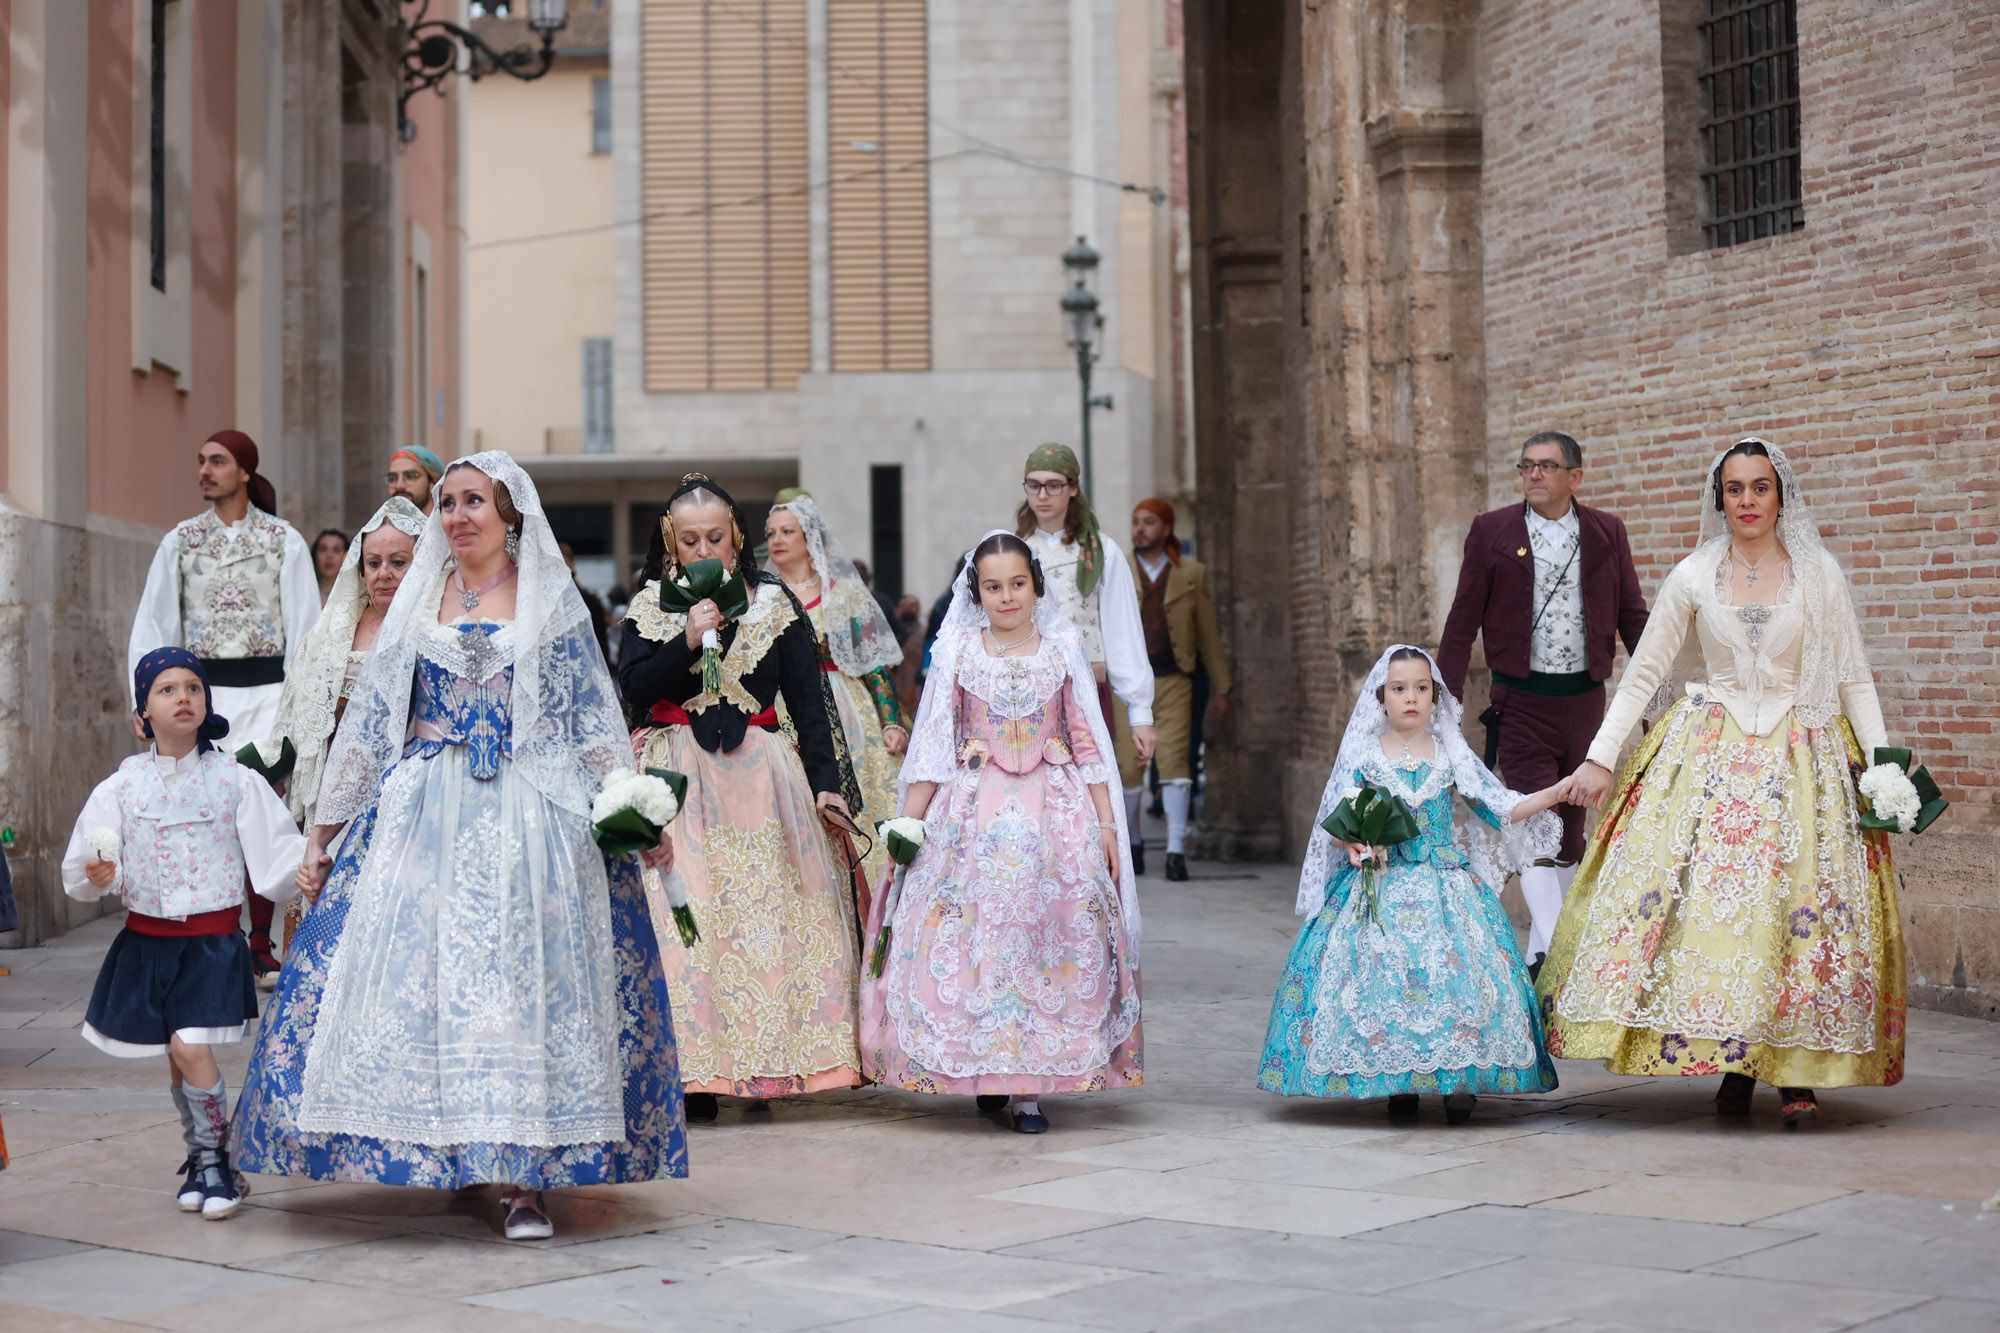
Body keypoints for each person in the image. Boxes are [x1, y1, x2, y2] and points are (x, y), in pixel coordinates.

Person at [239, 453, 687, 1241]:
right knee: (428, 983)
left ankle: (523, 1178)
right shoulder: (418, 600)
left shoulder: (551, 600)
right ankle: (449, 1149)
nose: (459, 515)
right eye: (447, 502)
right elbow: (371, 725)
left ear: (511, 513)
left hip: (532, 812)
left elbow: (588, 718)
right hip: (425, 814)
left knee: (518, 988)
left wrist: (634, 807)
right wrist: (323, 834)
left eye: (474, 501)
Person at [1542, 438, 1906, 1128]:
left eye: (1759, 487)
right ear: (1720, 499)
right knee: (1715, 918)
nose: (1747, 501)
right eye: (1734, 489)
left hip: (1805, 755)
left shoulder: (1819, 574)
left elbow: (1854, 676)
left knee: (1800, 912)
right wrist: (1599, 755)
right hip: (1708, 757)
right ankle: (1735, 1062)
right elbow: (1645, 673)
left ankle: (1796, 1068)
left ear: (1780, 495)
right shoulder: (1693, 574)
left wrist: (1885, 766)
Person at [861, 531, 1142, 1134]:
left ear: (1036, 587)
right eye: (993, 587)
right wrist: (908, 822)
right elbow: (935, 743)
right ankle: (987, 1067)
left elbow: (1087, 740)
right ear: (977, 592)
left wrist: (1106, 824)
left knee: (1049, 935)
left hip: (1055, 811)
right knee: (973, 937)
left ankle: (1029, 1089)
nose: (1007, 596)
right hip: (972, 810)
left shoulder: (1061, 650)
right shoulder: (960, 653)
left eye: (1017, 584)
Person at [618, 474, 865, 1126]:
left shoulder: (775, 605)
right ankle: (697, 1074)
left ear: (736, 540)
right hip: (679, 780)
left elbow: (809, 706)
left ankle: (766, 1065)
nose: (705, 548)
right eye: (690, 538)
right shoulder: (650, 606)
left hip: (760, 780)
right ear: (672, 543)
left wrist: (827, 785)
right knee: (688, 922)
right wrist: (687, 636)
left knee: (761, 923)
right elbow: (637, 689)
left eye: (715, 537)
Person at [1258, 646, 1565, 1121]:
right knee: (1381, 972)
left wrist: (1554, 791)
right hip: (1382, 882)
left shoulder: (1451, 754)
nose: (1411, 698)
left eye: (1422, 688)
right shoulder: (1364, 754)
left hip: (1447, 883)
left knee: (1460, 975)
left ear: (1434, 695)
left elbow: (1497, 805)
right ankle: (1399, 1081)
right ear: (1382, 696)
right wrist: (1357, 846)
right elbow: (1337, 821)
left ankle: (1460, 1080)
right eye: (1400, 689)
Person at [63, 649, 306, 1219]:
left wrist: (312, 866)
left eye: (193, 687)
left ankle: (218, 1162)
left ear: (207, 703)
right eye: (167, 689)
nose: (183, 697)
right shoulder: (121, 787)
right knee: (176, 1056)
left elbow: (276, 854)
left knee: (188, 1046)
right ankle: (199, 1159)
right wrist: (102, 873)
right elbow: (90, 859)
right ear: (140, 713)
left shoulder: (235, 780)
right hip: (147, 943)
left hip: (211, 943)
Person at [1437, 430, 1649, 977]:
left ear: (1574, 477)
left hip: (1585, 702)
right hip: (1521, 701)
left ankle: (1538, 950)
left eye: (1547, 466)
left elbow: (1634, 620)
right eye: (1527, 466)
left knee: (1571, 829)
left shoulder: (1607, 532)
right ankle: (1558, 953)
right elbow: (1461, 623)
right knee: (1532, 818)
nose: (1534, 475)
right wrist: (1445, 705)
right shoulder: (1492, 532)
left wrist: (1657, 699)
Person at [128, 430, 319, 989]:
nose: (205, 471)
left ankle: (261, 945)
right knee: (206, 821)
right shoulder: (180, 542)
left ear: (244, 471)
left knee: (263, 818)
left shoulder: (284, 541)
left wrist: (300, 711)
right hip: (202, 700)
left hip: (269, 700)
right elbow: (154, 625)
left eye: (218, 461)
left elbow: (306, 629)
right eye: (202, 462)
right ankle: (219, 940)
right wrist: (148, 701)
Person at [265, 499, 426, 951]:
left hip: (402, 787)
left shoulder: (431, 626)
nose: (384, 574)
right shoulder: (335, 627)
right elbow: (300, 707)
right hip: (333, 784)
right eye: (373, 563)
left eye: (399, 562)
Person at [766, 496, 910, 888]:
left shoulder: (842, 595)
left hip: (846, 706)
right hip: (785, 708)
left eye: (787, 532)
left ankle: (870, 891)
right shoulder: (762, 598)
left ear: (809, 537)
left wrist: (891, 720)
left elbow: (874, 665)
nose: (777, 540)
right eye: (771, 533)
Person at [1016, 444, 1157, 767]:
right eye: (1034, 485)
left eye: (1053, 485)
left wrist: (1140, 714)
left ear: (1073, 488)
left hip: (1087, 692)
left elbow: (1122, 632)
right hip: (1028, 696)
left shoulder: (1101, 552)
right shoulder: (1017, 552)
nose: (1042, 495)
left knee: (1091, 794)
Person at [1115, 499, 1231, 880]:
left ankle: (1175, 852)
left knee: (1175, 760)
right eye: (1136, 522)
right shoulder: (1117, 569)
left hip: (1175, 678)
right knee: (1127, 766)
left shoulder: (1191, 573)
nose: (1140, 529)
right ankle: (1132, 843)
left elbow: (1207, 633)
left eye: (1149, 522)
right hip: (1127, 682)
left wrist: (1222, 686)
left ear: (1166, 528)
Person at [559, 540, 613, 666]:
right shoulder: (543, 604)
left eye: (563, 562)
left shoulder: (590, 601)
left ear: (572, 565)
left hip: (586, 667)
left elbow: (601, 641)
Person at [387, 445, 443, 513]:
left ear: (433, 482)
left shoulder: (453, 522)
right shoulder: (380, 523)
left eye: (410, 477)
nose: (399, 486)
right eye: (392, 479)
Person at [311, 529, 350, 604]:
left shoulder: (355, 597)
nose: (329, 555)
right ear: (315, 555)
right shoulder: (304, 592)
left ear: (346, 556)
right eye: (323, 549)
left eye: (336, 550)